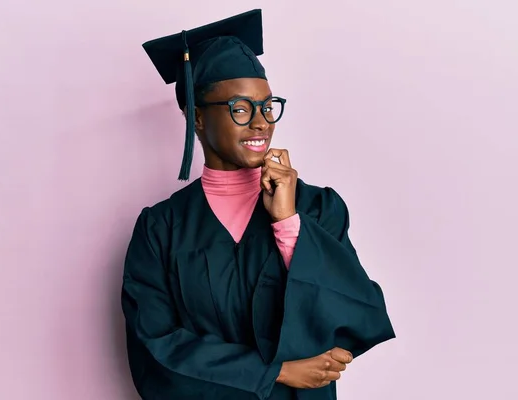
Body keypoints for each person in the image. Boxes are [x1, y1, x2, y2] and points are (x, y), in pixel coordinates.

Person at [121, 9, 395, 400]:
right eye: (240, 108)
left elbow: (351, 318)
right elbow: (154, 343)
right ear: (196, 117)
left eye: (268, 106)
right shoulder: (160, 228)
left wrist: (287, 223)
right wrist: (273, 372)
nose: (262, 122)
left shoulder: (316, 208)